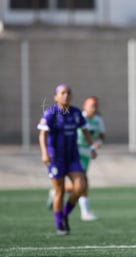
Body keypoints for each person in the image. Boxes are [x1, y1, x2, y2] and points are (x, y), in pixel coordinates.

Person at [38, 84, 97, 235]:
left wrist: (91, 147)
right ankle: (60, 224)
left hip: (72, 156)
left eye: (68, 92)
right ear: (56, 97)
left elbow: (85, 130)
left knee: (80, 186)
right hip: (56, 158)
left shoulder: (76, 113)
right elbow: (43, 134)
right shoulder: (51, 113)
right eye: (62, 93)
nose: (66, 95)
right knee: (60, 190)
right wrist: (44, 153)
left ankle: (64, 214)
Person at [75, 96, 105, 221]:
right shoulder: (79, 118)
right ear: (84, 106)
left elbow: (101, 136)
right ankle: (85, 212)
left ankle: (56, 191)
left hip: (87, 153)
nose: (94, 108)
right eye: (91, 105)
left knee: (81, 183)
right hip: (76, 151)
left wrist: (97, 144)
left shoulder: (98, 120)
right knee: (83, 182)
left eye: (95, 105)